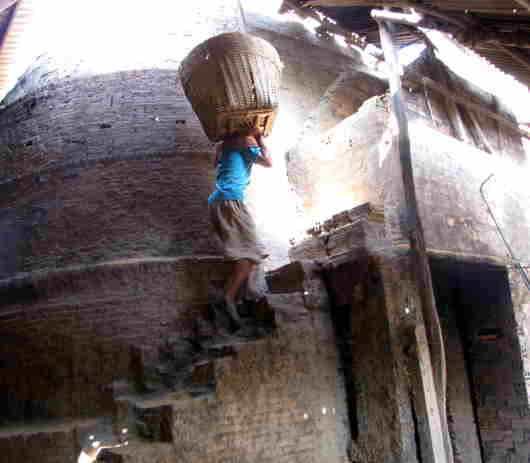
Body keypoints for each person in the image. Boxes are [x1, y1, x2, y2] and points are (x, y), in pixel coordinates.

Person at [208, 126, 272, 334]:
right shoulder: (247, 141)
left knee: (246, 254)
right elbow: (269, 163)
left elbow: (215, 162)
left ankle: (235, 300)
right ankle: (228, 297)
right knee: (250, 252)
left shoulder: (224, 144)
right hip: (230, 200)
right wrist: (260, 140)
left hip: (218, 201)